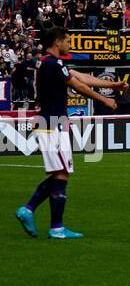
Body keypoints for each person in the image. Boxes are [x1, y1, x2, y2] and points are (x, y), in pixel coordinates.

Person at [14, 26, 122, 240]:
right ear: (57, 41)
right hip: (50, 123)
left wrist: (112, 84)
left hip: (53, 123)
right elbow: (78, 86)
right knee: (62, 172)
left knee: (60, 173)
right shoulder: (52, 64)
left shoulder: (49, 63)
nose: (70, 44)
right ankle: (47, 222)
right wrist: (105, 100)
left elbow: (80, 77)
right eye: (68, 40)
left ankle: (35, 214)